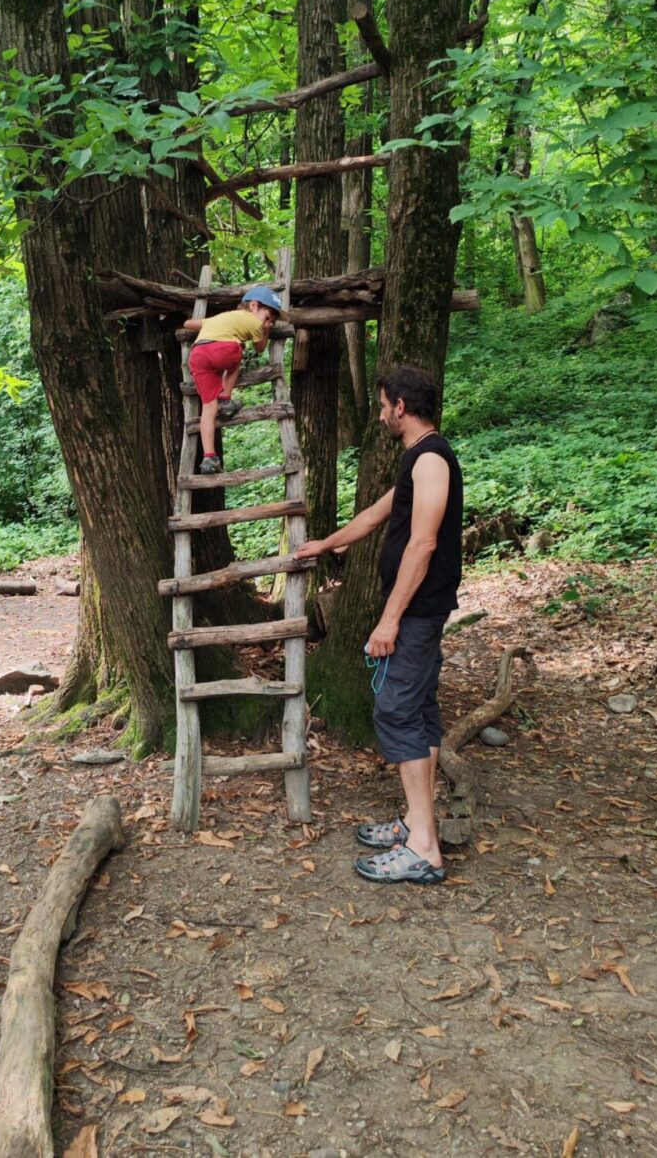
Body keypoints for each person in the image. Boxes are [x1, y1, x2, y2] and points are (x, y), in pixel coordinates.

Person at [295, 364, 463, 885]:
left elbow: (424, 543)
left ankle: (424, 849)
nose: (381, 414)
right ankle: (418, 821)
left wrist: (389, 618)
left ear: (402, 407)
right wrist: (325, 544)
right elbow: (374, 515)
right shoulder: (417, 459)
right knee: (420, 709)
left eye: (384, 404)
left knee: (395, 712)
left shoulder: (432, 460)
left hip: (416, 611)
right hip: (416, 611)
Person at [184, 284, 284, 474]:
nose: (268, 323)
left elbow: (189, 324)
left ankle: (209, 457)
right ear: (254, 306)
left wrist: (205, 325)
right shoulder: (254, 323)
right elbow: (260, 348)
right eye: (269, 317)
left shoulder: (222, 317)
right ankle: (226, 399)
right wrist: (266, 331)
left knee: (208, 407)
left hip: (197, 356)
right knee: (237, 350)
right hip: (222, 351)